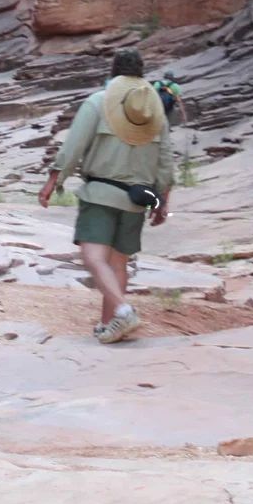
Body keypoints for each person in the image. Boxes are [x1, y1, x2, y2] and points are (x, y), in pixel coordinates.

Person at [37, 49, 174, 344]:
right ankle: (109, 325)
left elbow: (74, 145)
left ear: (113, 73)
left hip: (100, 194)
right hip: (137, 199)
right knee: (118, 263)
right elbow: (165, 159)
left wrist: (53, 179)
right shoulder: (155, 113)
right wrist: (162, 199)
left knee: (92, 256)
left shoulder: (99, 102)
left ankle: (123, 311)